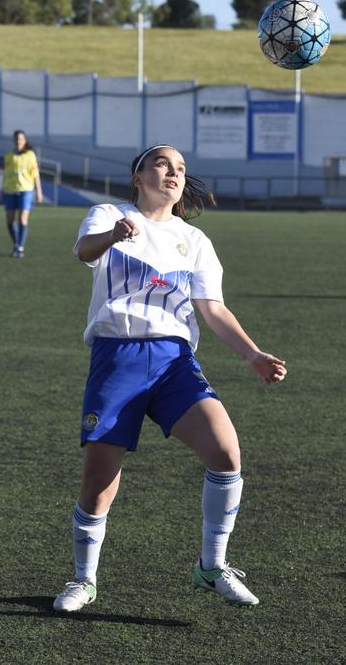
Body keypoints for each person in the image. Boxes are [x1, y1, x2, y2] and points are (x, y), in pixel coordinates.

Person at [51, 144, 287, 612]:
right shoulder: (109, 214)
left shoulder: (194, 241)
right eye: (161, 164)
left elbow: (211, 308)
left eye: (180, 168)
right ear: (137, 176)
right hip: (117, 358)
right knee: (99, 480)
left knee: (226, 452)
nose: (173, 172)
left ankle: (212, 566)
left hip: (174, 360)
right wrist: (115, 236)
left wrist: (253, 354)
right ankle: (83, 580)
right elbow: (82, 252)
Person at [1, 130, 43, 258]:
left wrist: (39, 191)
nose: (19, 141)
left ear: (24, 141)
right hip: (10, 191)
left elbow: (35, 174)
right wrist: (2, 190)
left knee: (22, 218)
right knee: (9, 219)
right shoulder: (9, 156)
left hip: (26, 190)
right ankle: (18, 244)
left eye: (21, 139)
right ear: (14, 141)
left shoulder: (30, 155)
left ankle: (20, 247)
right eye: (16, 139)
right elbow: (6, 174)